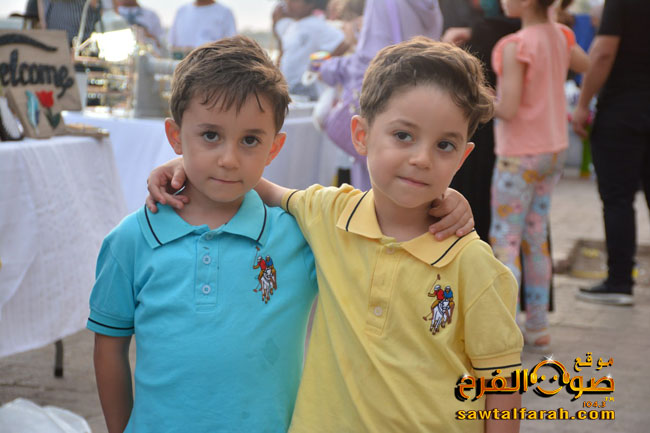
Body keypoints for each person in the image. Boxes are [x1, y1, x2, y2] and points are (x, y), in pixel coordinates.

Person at [149, 37, 523, 432]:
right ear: (361, 135)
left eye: (444, 145)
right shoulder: (328, 213)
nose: (421, 158)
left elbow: (501, 381)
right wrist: (188, 165)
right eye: (403, 135)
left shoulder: (473, 265)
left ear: (462, 157)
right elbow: (258, 184)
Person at [87, 36, 319, 433]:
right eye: (210, 135)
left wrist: (435, 201)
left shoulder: (299, 238)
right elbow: (109, 348)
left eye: (250, 140)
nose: (228, 159)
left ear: (275, 147)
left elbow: (375, 222)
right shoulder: (130, 240)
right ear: (175, 136)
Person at [489, 0, 589, 352]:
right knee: (535, 237)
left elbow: (508, 108)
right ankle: (538, 328)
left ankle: (506, 332)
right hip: (553, 150)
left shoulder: (514, 45)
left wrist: (474, 98)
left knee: (505, 241)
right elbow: (588, 64)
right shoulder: (561, 36)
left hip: (518, 156)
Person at [317, 0, 444, 191]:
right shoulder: (430, 5)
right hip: (422, 101)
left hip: (387, 103)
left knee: (375, 186)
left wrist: (329, 68)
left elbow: (370, 63)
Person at [572, 0, 650, 307]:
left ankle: (619, 281)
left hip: (623, 111)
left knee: (618, 200)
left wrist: (582, 105)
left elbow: (603, 52)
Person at [272, 0, 348, 99]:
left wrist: (322, 65)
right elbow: (282, 45)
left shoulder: (316, 25)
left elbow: (344, 42)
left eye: (295, 1)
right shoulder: (291, 25)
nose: (288, 3)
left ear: (310, 5)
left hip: (305, 87)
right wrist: (275, 21)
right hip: (288, 85)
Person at [168, 0, 236, 55]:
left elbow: (230, 48)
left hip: (210, 66)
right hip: (182, 65)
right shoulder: (181, 11)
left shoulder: (225, 13)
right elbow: (173, 45)